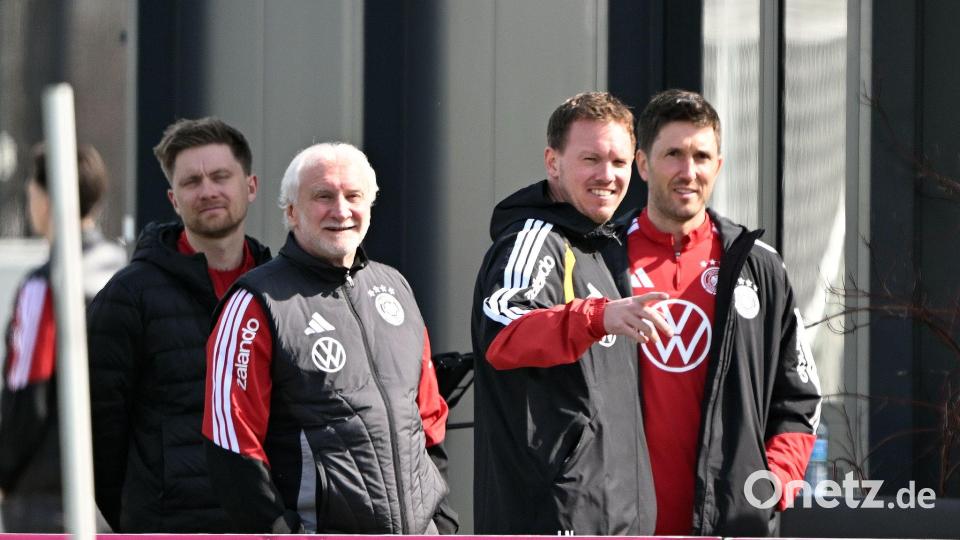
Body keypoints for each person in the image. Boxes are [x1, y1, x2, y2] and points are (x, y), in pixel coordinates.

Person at [202, 142, 457, 534]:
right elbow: (231, 441)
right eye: (323, 196)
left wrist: (440, 520)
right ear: (291, 211)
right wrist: (278, 529)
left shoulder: (396, 288)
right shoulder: (255, 302)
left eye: (353, 196)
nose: (341, 210)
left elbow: (427, 420)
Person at [471, 91, 673, 534]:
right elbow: (505, 332)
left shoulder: (596, 247)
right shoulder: (535, 238)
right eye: (591, 160)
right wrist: (596, 317)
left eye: (619, 163)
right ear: (552, 163)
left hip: (616, 520)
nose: (607, 176)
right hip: (555, 519)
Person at [623, 89, 822, 536]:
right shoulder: (603, 258)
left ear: (719, 165)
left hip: (729, 524)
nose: (688, 171)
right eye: (672, 154)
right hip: (617, 524)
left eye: (701, 155)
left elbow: (800, 397)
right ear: (642, 163)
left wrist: (774, 483)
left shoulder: (757, 265)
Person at [86, 118, 271, 532]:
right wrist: (142, 517)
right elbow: (97, 432)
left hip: (266, 525)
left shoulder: (279, 292)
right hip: (168, 528)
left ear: (251, 186)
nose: (207, 191)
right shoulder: (128, 297)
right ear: (173, 199)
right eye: (191, 182)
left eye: (221, 176)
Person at [0, 144, 125, 532]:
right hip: (112, 495)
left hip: (46, 495)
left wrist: (4, 471)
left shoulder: (46, 284)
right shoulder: (123, 270)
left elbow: (27, 392)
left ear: (47, 196)